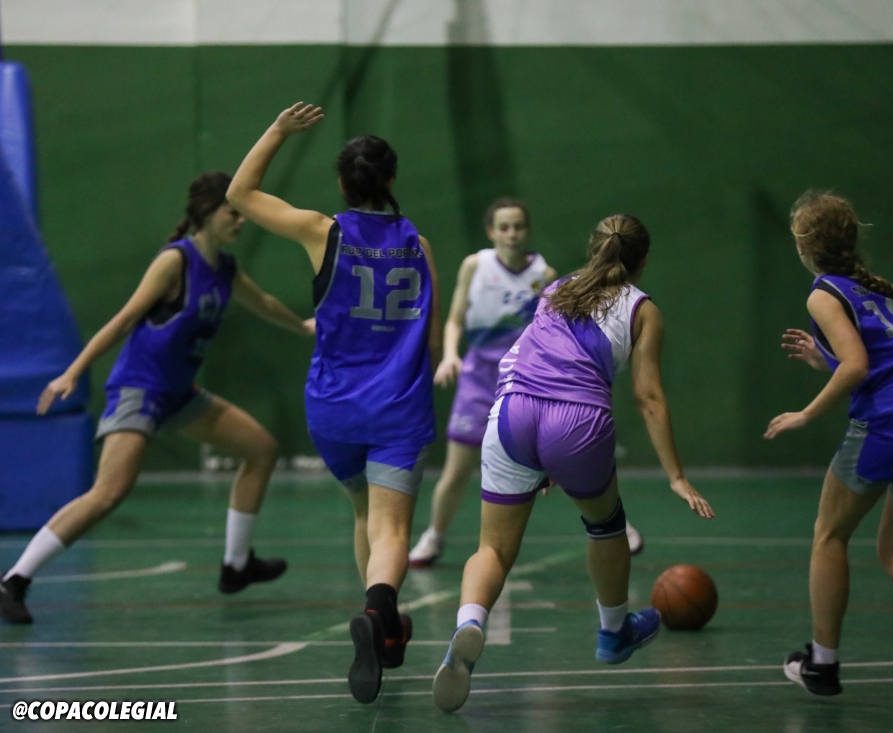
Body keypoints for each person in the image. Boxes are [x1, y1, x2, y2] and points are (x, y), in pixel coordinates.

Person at [432, 214, 714, 714]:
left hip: (511, 411)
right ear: (644, 260)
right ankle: (614, 633)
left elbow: (533, 356)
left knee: (493, 547)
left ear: (593, 248)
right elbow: (648, 398)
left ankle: (470, 622)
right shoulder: (642, 308)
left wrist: (540, 460)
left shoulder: (556, 288)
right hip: (576, 420)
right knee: (606, 525)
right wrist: (676, 476)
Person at [0, 172, 309, 626]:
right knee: (108, 494)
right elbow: (125, 319)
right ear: (207, 213)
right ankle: (14, 580)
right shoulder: (175, 261)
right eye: (233, 212)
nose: (242, 220)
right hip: (140, 389)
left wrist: (303, 327)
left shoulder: (225, 268)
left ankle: (236, 565)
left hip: (178, 394)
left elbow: (262, 303)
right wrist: (73, 371)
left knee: (261, 449)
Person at [226, 102, 442, 705]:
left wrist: (277, 129)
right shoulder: (419, 246)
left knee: (363, 514)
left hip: (333, 407)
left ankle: (383, 625)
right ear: (391, 179)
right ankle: (379, 612)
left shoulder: (323, 231)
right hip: (397, 407)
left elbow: (240, 194)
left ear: (344, 186)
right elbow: (430, 340)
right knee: (392, 527)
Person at [765, 192, 893, 716]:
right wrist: (826, 360)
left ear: (803, 245)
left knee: (829, 535)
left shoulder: (824, 293)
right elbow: (879, 356)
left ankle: (822, 664)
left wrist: (806, 413)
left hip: (892, 423)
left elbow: (858, 365)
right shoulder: (875, 289)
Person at [409, 200, 646, 568]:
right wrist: (451, 354)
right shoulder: (475, 265)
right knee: (456, 470)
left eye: (518, 226)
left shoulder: (544, 273)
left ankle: (617, 524)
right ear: (491, 232)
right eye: (504, 227)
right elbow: (454, 319)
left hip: (528, 379)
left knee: (564, 459)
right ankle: (434, 536)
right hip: (479, 378)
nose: (512, 234)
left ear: (527, 230)